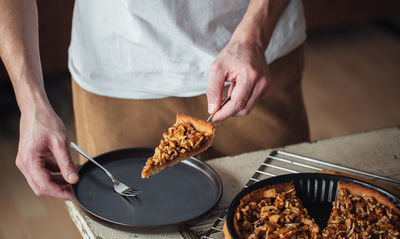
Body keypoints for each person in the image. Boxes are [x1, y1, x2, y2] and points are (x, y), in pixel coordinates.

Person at [0, 0, 309, 200]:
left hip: (257, 55)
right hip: (116, 71)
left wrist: (253, 36)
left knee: (283, 214)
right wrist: (30, 101)